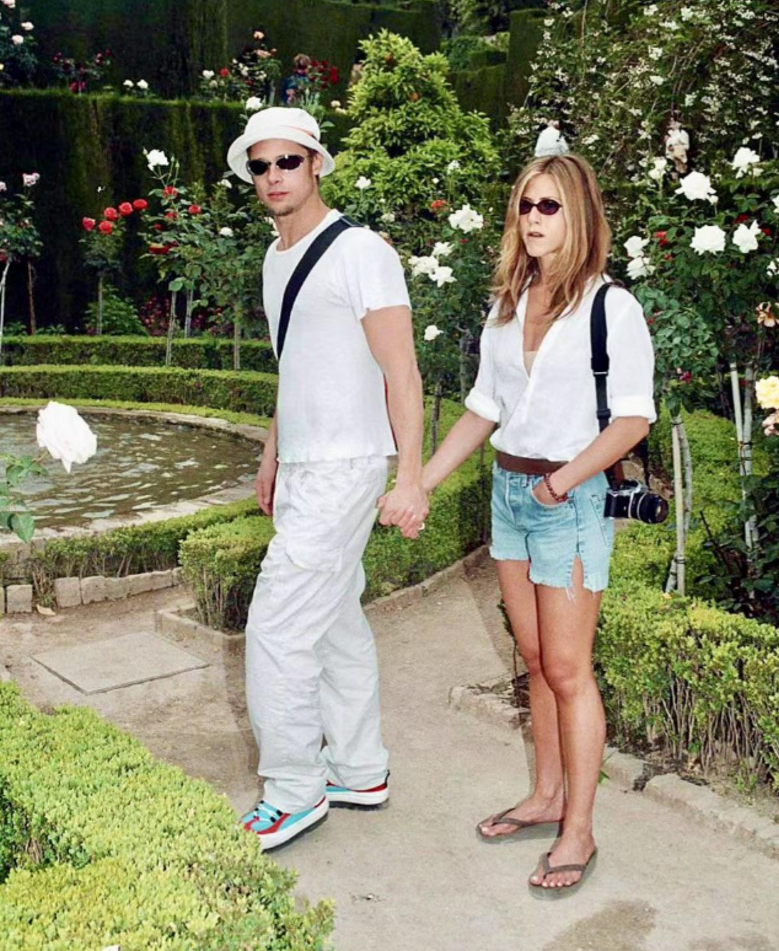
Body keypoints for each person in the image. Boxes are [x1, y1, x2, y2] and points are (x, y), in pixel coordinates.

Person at [421, 152, 656, 896]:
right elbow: (485, 407)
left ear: (578, 214)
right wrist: (421, 481)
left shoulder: (610, 308)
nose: (531, 218)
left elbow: (633, 419)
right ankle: (548, 794)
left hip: (569, 499)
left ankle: (579, 829)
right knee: (532, 655)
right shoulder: (507, 304)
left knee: (567, 668)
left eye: (548, 206)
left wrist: (562, 481)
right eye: (524, 205)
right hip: (509, 490)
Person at [226, 107, 428, 850]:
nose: (274, 175)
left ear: (318, 164)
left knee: (277, 627)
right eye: (261, 164)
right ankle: (358, 767)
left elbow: (402, 369)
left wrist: (411, 477)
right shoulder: (277, 257)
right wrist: (272, 453)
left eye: (288, 161)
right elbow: (296, 369)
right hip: (307, 465)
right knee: (335, 619)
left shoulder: (360, 251)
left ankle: (292, 790)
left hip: (349, 466)